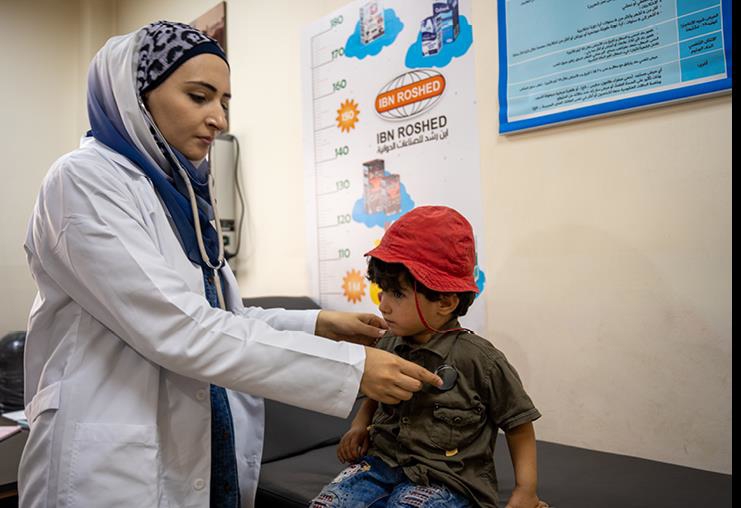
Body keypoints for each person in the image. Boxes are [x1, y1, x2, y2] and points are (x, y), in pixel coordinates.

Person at [18, 21, 442, 508]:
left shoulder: (183, 194)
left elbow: (221, 315)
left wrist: (322, 323)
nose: (218, 119)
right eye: (199, 97)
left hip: (198, 448)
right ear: (137, 96)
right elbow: (178, 327)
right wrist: (352, 369)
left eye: (224, 102)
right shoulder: (83, 180)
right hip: (112, 465)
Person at [311, 206, 548, 508]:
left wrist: (526, 490)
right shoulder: (387, 343)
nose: (383, 305)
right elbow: (376, 393)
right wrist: (360, 425)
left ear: (446, 302)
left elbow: (518, 424)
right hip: (381, 465)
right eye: (381, 291)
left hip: (447, 479)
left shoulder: (481, 360)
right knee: (328, 504)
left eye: (397, 294)